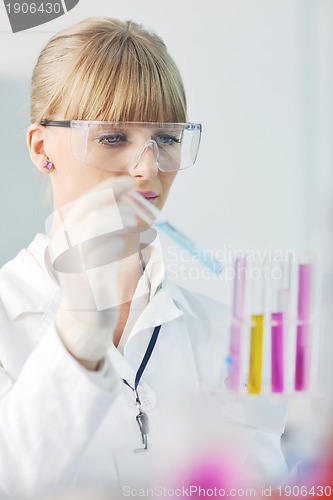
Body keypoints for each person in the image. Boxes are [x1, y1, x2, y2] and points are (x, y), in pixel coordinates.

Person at [0, 17, 288, 497]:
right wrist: (76, 336)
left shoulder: (225, 332)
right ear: (41, 147)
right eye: (113, 138)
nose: (148, 168)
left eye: (167, 139)